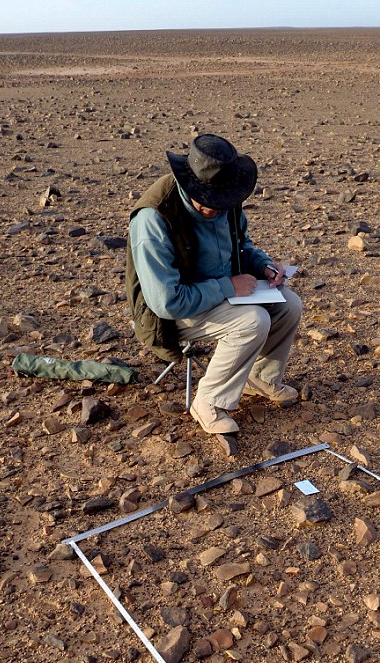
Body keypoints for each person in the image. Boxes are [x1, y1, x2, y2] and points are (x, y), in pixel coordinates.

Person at [125, 133, 302, 437]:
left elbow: (242, 245)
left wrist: (264, 266)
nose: (217, 209)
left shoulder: (225, 198)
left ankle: (259, 378)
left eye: (222, 202)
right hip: (171, 313)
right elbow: (166, 302)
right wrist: (227, 287)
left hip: (221, 293)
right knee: (252, 322)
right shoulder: (154, 219)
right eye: (209, 203)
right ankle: (208, 401)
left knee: (289, 304)